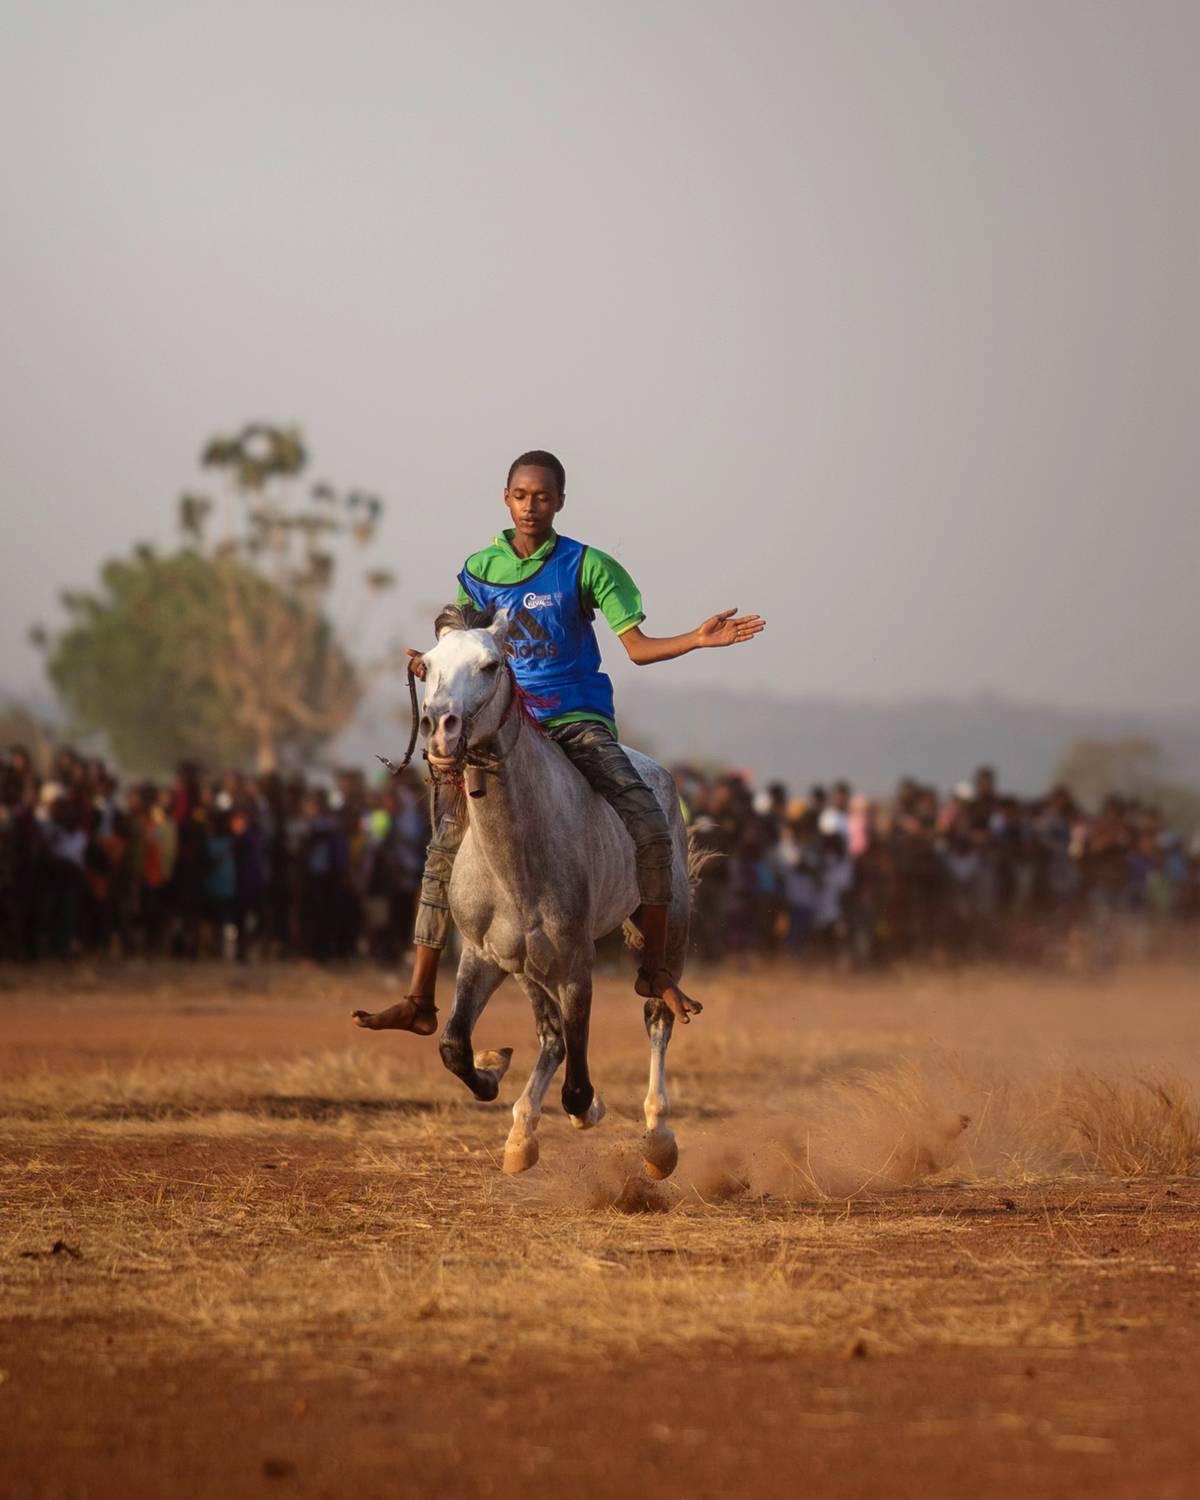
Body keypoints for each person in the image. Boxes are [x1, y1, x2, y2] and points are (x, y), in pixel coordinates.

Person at [354, 448, 764, 1035]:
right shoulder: (478, 568)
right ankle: (420, 1000)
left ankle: (653, 970)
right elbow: (465, 645)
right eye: (521, 495)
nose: (531, 506)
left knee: (651, 823)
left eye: (543, 497)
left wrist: (696, 640)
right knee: (444, 845)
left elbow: (638, 648)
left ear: (560, 502)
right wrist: (434, 666)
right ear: (505, 498)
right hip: (502, 726)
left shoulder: (586, 566)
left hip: (576, 720)